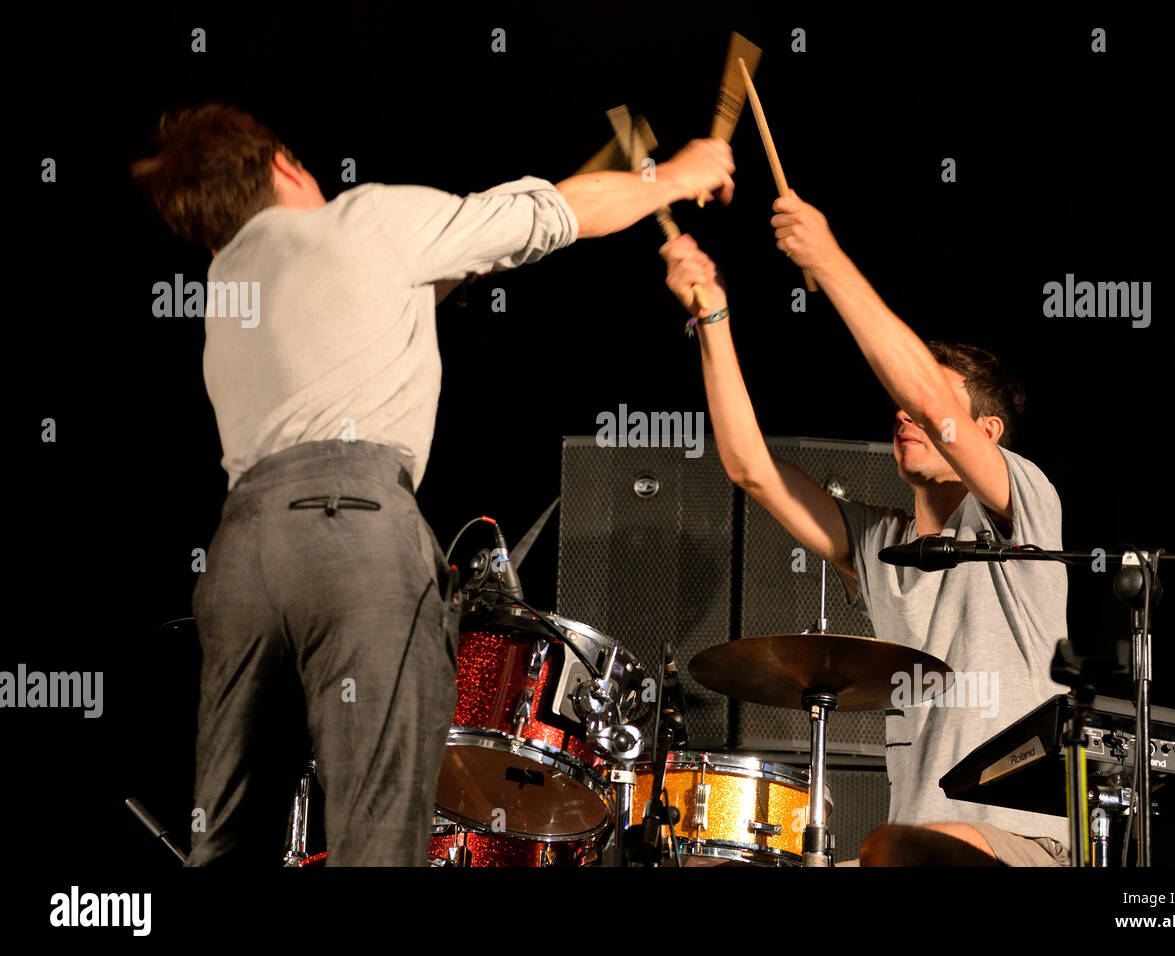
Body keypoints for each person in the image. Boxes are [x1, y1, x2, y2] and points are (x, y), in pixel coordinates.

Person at [132, 102, 735, 865]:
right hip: (352, 530)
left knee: (230, 839)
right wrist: (672, 177)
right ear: (285, 164)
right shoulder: (366, 219)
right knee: (378, 825)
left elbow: (412, 287)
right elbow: (558, 213)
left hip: (242, 556)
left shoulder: (230, 283)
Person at [661, 191, 1071, 866]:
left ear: (988, 434)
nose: (903, 414)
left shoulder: (1022, 504)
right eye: (898, 407)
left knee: (900, 853)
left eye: (919, 402)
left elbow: (934, 406)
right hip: (907, 848)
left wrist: (826, 257)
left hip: (1024, 843)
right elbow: (751, 468)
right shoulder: (880, 545)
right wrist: (712, 318)